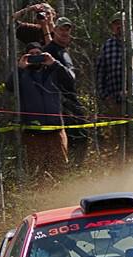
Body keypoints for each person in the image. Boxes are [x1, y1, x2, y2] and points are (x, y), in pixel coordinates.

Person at [6, 42, 74, 180]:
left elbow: (70, 81)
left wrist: (54, 63)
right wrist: (19, 68)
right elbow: (9, 86)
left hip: (56, 129)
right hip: (33, 132)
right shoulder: (22, 74)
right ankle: (40, 197)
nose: (35, 57)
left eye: (38, 54)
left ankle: (62, 194)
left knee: (60, 168)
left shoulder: (53, 71)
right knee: (36, 170)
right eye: (31, 54)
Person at [95, 11, 133, 156]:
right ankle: (122, 172)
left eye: (122, 23)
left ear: (129, 24)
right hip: (116, 102)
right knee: (119, 141)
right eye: (116, 24)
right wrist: (104, 96)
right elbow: (100, 72)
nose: (119, 26)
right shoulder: (107, 46)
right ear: (112, 27)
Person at [44, 17, 89, 165]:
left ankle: (74, 170)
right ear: (54, 30)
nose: (64, 32)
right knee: (75, 137)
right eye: (61, 29)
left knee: (81, 135)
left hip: (68, 101)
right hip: (60, 103)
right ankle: (70, 171)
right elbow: (69, 77)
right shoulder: (50, 51)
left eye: (67, 30)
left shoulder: (62, 51)